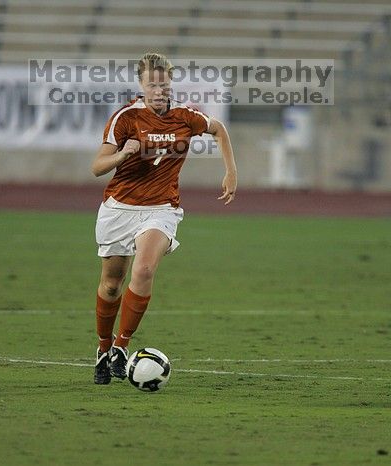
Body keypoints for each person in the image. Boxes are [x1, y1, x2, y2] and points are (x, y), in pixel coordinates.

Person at [90, 52, 237, 384]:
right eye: (152, 84)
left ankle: (121, 347)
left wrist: (231, 171)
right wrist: (122, 154)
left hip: (162, 208)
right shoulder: (125, 118)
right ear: (141, 85)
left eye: (164, 84)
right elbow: (97, 167)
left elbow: (219, 130)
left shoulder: (185, 117)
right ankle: (102, 348)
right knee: (112, 284)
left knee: (143, 270)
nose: (159, 90)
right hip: (120, 208)